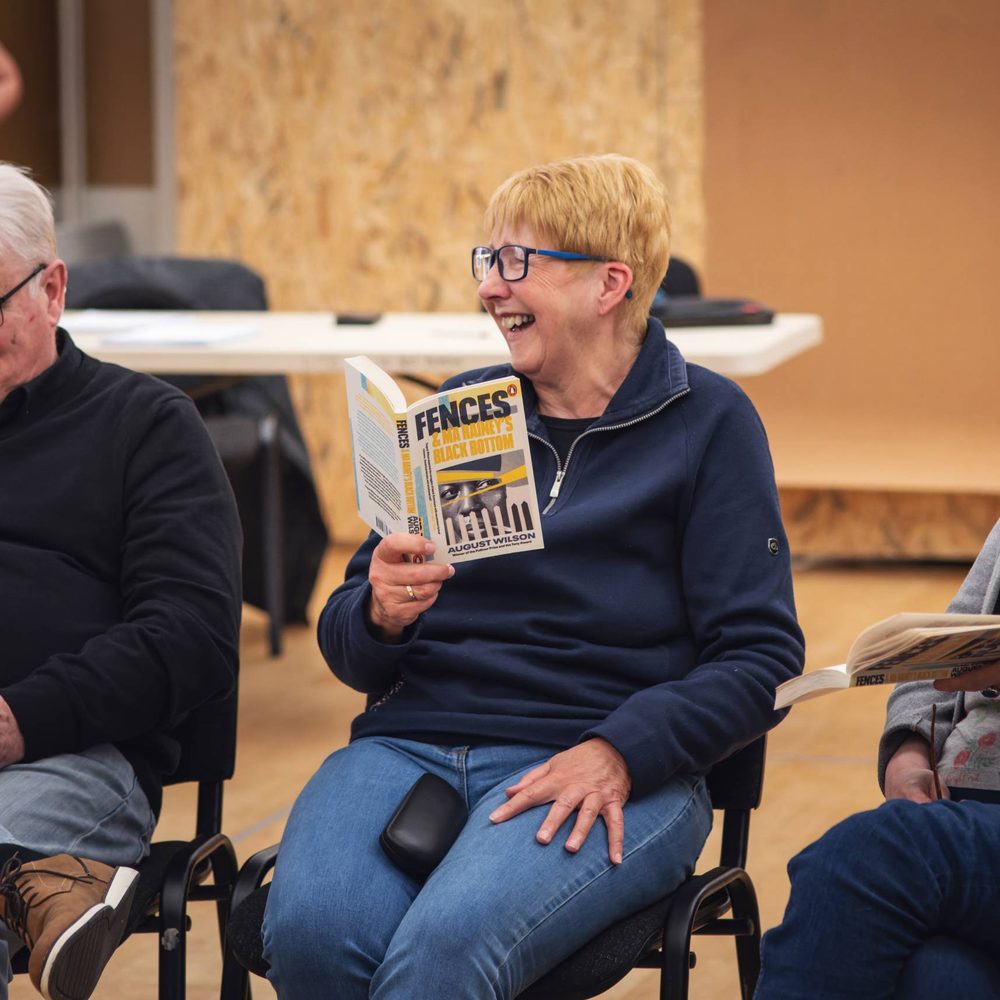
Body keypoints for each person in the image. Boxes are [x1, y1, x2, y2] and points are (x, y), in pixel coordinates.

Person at [263, 153, 804, 1000]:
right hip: (413, 740)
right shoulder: (463, 409)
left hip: (607, 757)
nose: (489, 287)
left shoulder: (710, 423)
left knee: (443, 957)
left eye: (519, 261)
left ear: (609, 285)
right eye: (487, 259)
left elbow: (761, 657)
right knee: (307, 939)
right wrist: (380, 613)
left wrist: (621, 752)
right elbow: (349, 646)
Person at [0, 163, 241, 1000]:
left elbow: (193, 637)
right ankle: (38, 885)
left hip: (75, 754)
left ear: (52, 286)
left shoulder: (148, 427)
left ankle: (43, 877)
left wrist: (19, 719)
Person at [755, 517, 1000, 999]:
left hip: (949, 840)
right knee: (938, 980)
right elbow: (939, 654)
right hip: (957, 811)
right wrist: (908, 754)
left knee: (867, 856)